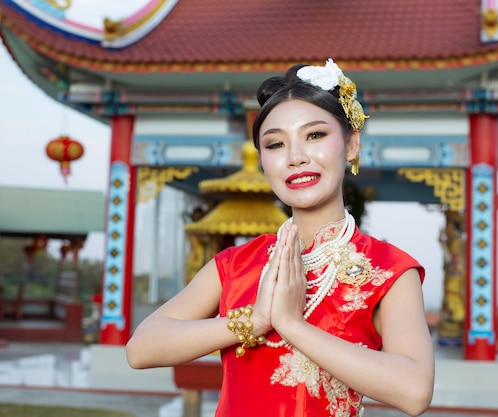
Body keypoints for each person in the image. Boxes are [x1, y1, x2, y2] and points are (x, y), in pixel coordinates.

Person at [126, 58, 435, 417]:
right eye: (275, 144)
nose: (295, 157)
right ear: (263, 161)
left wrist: (290, 324)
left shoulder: (389, 271)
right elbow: (141, 348)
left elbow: (414, 391)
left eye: (315, 135)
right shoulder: (236, 265)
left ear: (351, 145)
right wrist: (253, 321)